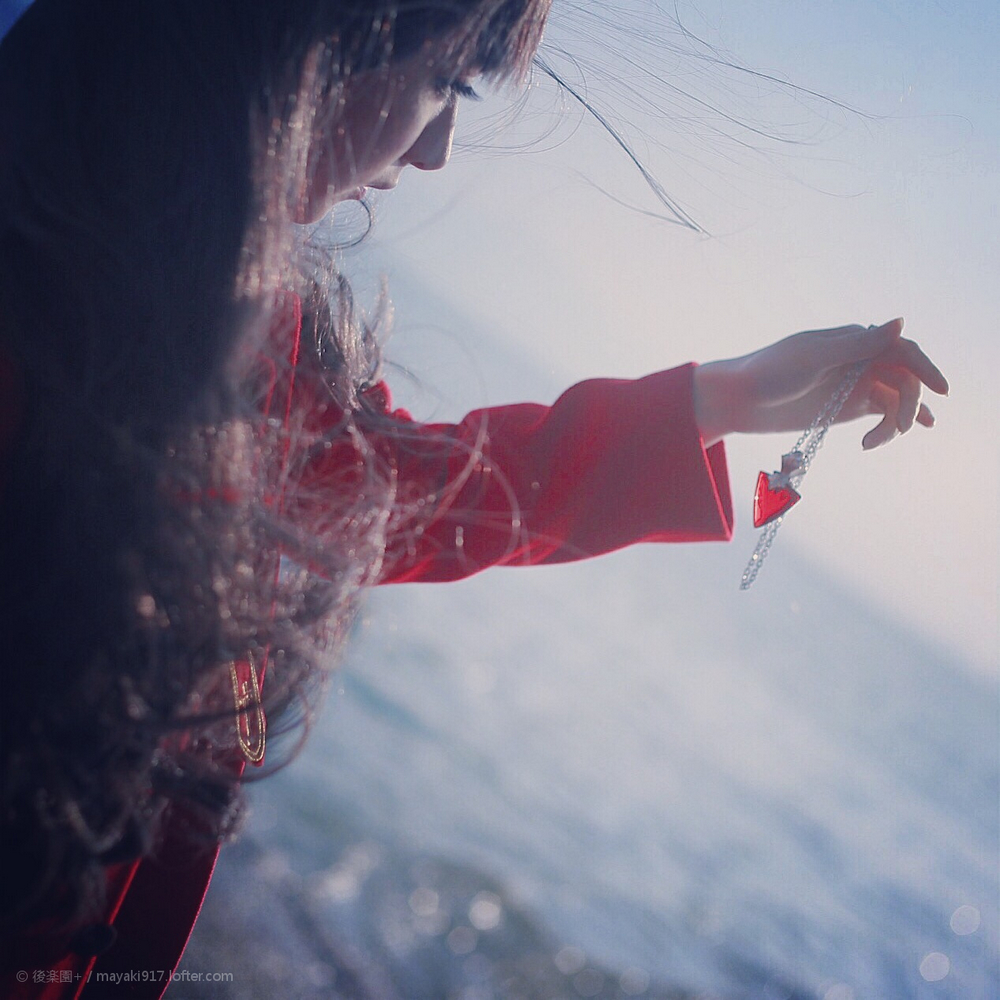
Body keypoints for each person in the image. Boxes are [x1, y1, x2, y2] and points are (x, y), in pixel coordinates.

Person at [0, 0, 948, 996]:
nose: (438, 148)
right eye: (443, 83)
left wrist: (726, 397)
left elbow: (402, 488)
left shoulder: (238, 316)